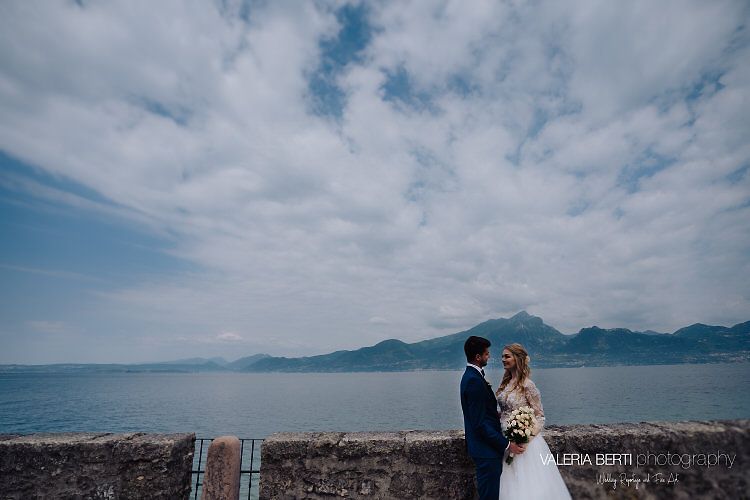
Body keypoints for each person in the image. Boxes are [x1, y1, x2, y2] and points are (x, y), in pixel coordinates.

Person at [496, 343, 572, 499]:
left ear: (518, 359)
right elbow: (504, 412)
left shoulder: (528, 385)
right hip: (505, 441)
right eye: (502, 356)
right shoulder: (505, 383)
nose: (503, 359)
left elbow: (540, 416)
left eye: (507, 356)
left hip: (524, 445)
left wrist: (524, 438)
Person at [460, 336, 526, 500]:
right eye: (486, 354)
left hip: (484, 449)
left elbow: (482, 413)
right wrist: (507, 444)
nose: (489, 356)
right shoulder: (474, 381)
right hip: (486, 451)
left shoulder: (472, 377)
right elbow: (480, 424)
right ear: (478, 357)